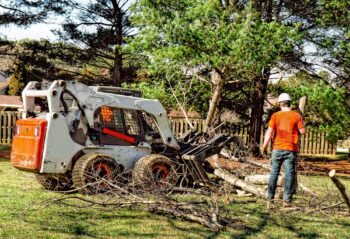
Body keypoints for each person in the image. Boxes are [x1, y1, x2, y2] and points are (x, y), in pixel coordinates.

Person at [262, 93, 305, 209]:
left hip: (277, 148)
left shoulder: (275, 116)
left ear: (280, 104)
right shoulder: (296, 116)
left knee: (274, 173)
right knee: (289, 174)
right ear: (289, 103)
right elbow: (302, 132)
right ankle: (286, 200)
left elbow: (269, 132)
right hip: (290, 149)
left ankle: (270, 200)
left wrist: (264, 146)